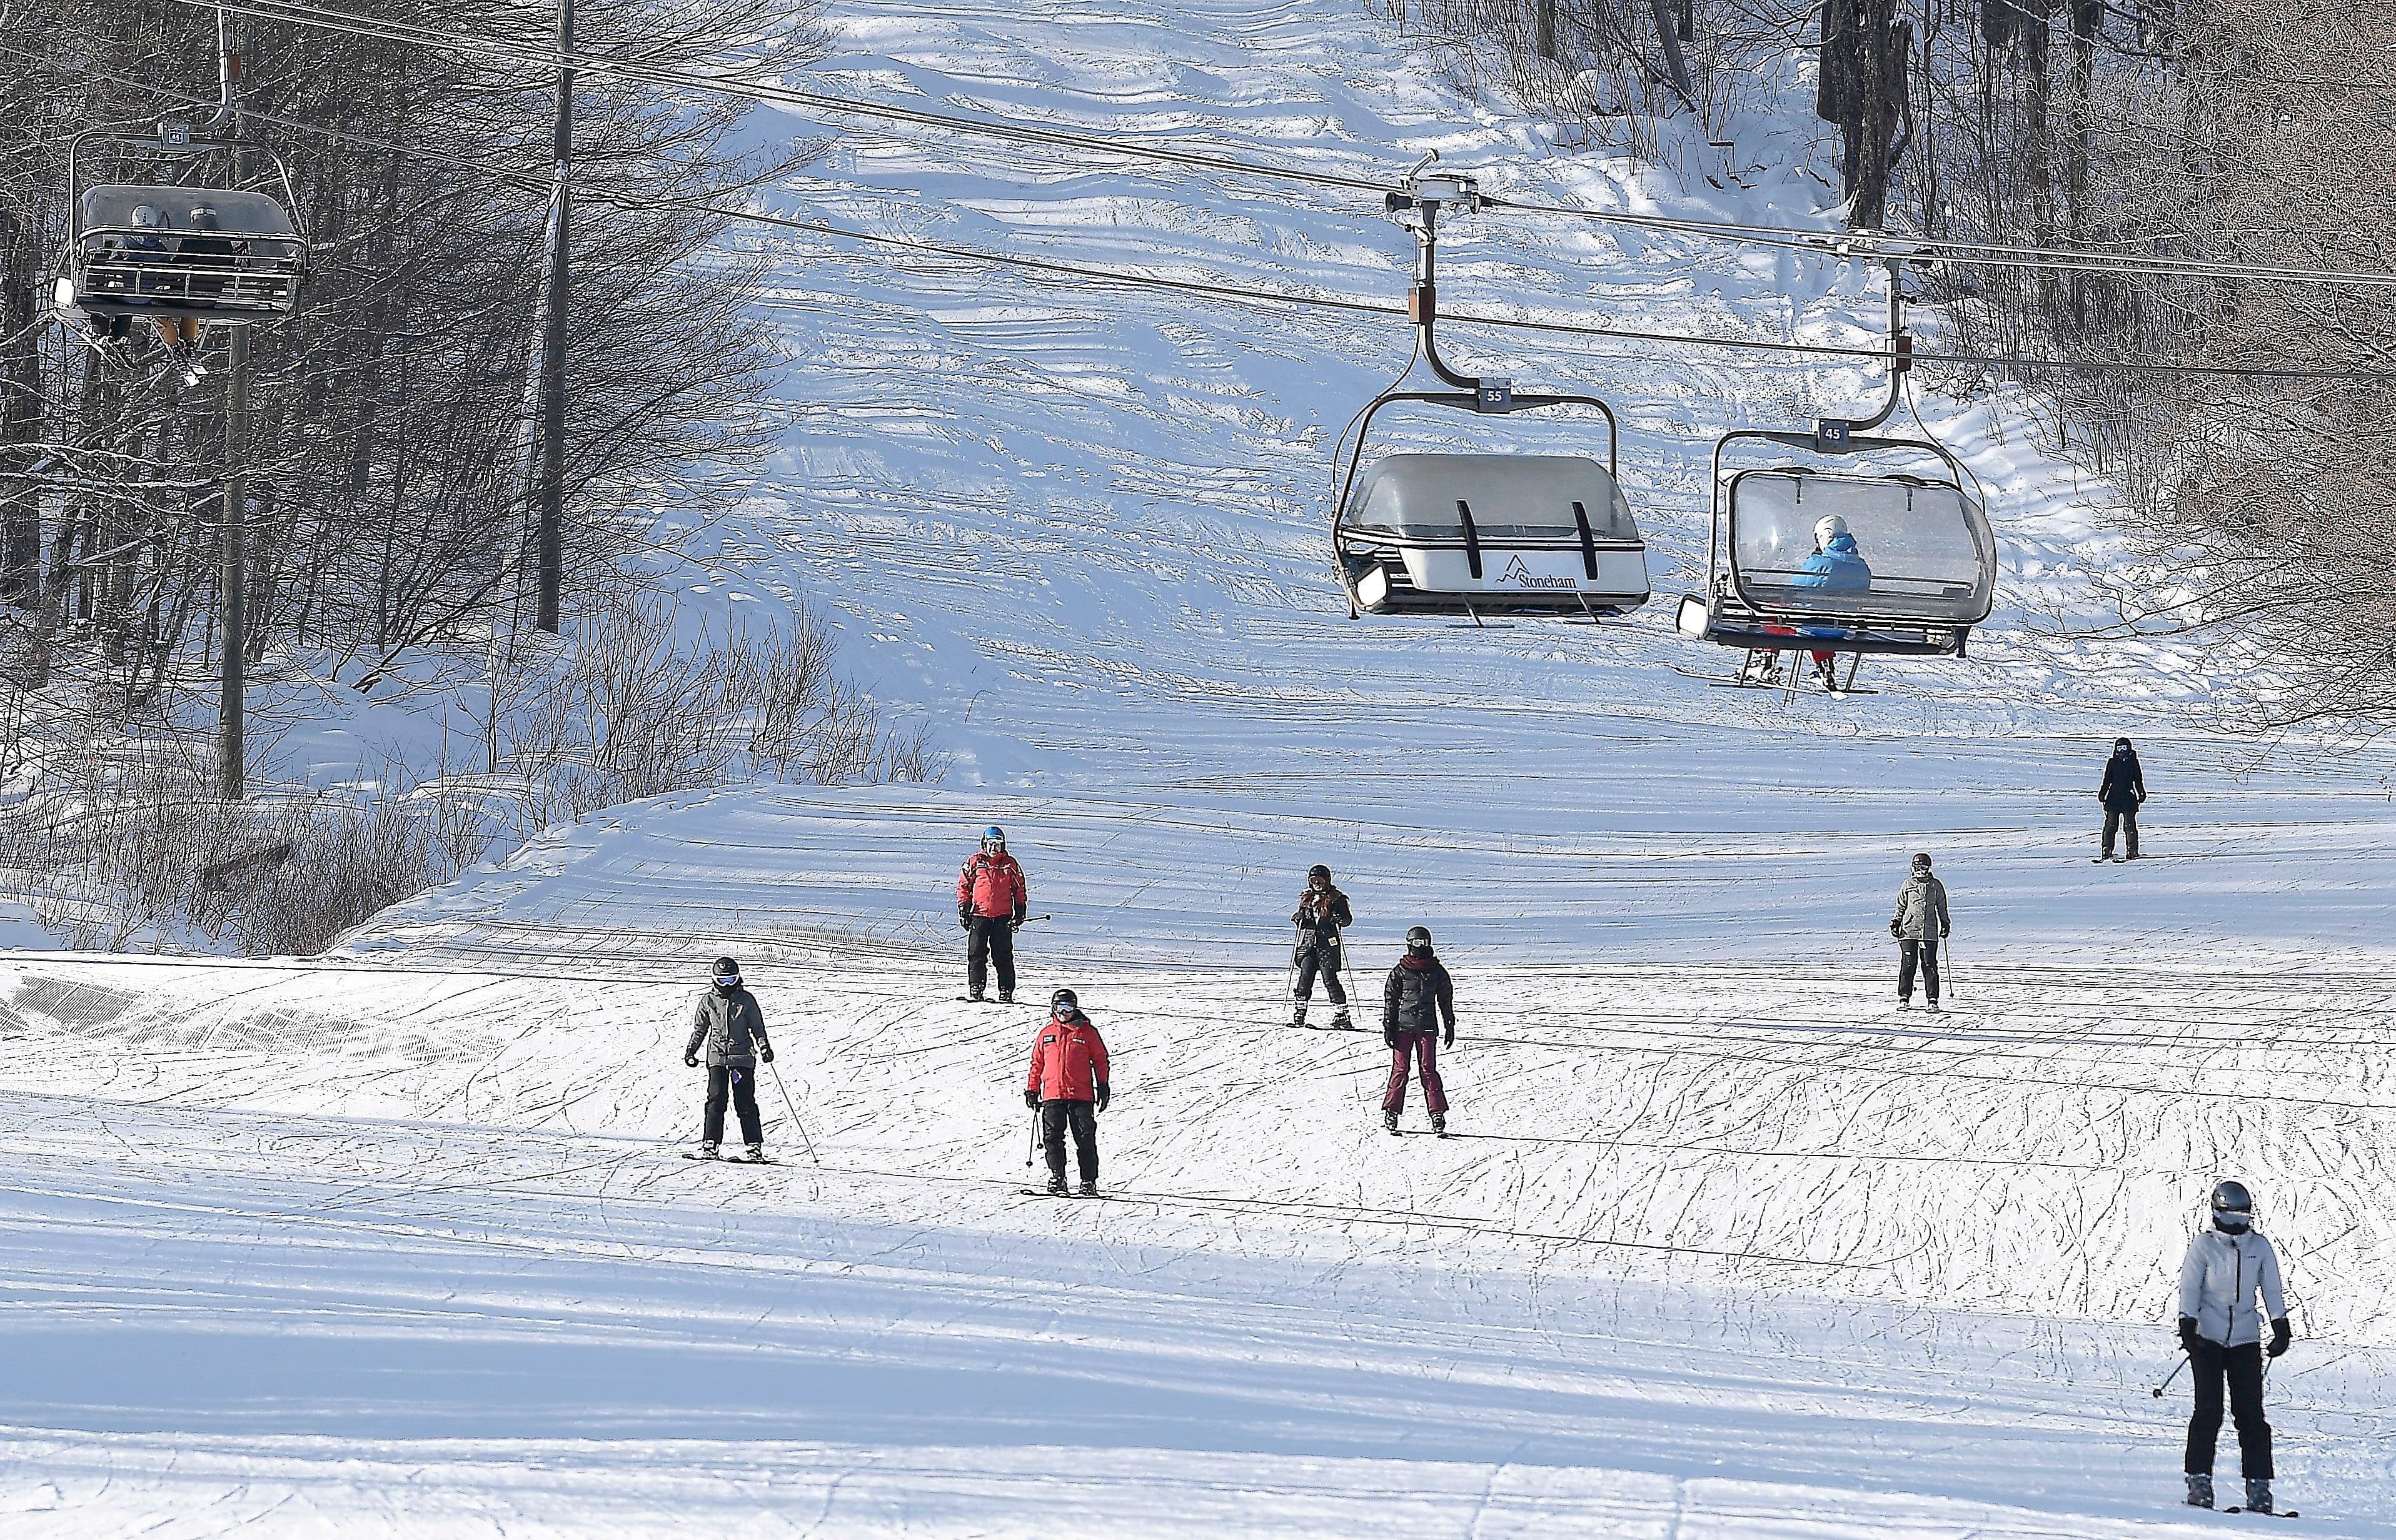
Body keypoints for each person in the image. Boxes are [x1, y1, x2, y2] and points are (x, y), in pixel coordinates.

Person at [2176, 1179, 2291, 1513]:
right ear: (2217, 1213)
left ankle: (2259, 1488)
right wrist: (2188, 1323)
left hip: (2245, 1338)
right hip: (2207, 1339)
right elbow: (2190, 1286)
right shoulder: (2204, 1246)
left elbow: (2272, 1288)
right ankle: (2199, 1480)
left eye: (2243, 1217)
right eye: (2232, 1218)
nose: (2238, 1225)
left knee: (2251, 1415)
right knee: (2209, 1411)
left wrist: (2279, 1324)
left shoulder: (2260, 1247)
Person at [681, 955, 774, 1161]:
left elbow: (757, 1027)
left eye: (731, 980)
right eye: (722, 980)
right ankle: (711, 1144)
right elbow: (700, 1029)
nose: (726, 985)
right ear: (714, 979)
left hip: (742, 1058)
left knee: (745, 1101)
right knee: (716, 1100)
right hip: (717, 1058)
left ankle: (754, 1147)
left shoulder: (746, 1000)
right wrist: (691, 1051)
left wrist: (764, 1046)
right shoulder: (708, 1001)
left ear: (738, 979)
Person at [1025, 987, 1109, 1197]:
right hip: (1053, 1094)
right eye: (1060, 1007)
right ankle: (1057, 1177)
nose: (1064, 1012)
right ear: (1053, 1009)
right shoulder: (1047, 1034)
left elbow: (1100, 1060)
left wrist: (1103, 1085)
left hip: (1081, 1096)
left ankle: (1088, 1182)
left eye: (1068, 1007)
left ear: (1075, 1008)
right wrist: (1033, 1089)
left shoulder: (1087, 1033)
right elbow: (1037, 1063)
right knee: (1052, 1138)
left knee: (1085, 1137)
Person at [1381, 925, 1455, 1136]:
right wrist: (1389, 1026)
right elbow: (1391, 1001)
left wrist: (1450, 1024)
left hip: (1427, 1026)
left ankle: (1437, 1113)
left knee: (1428, 1069)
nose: (1420, 947)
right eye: (1416, 943)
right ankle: (1392, 1111)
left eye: (1424, 943)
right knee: (1400, 1069)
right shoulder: (1400, 971)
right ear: (1409, 944)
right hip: (1403, 1028)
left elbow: (1445, 1000)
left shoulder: (1437, 971)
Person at [1786, 513, 1873, 687]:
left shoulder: (1821, 563)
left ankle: (1764, 660)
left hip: (1810, 627)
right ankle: (1826, 669)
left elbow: (1795, 587)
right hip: (1840, 628)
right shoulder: (1861, 566)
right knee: (1824, 620)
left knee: (1775, 613)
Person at [957, 825, 1028, 1002]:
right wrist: (964, 908)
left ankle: (1005, 990)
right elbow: (964, 886)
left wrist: (1020, 910)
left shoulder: (1010, 864)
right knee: (976, 953)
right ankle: (976, 988)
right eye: (990, 844)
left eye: (998, 844)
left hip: (1002, 917)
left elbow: (1019, 888)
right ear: (984, 843)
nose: (994, 848)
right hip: (980, 915)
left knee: (1003, 955)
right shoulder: (975, 862)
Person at [1290, 863, 1354, 1028]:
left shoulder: (1337, 898)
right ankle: (1300, 1012)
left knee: (1330, 979)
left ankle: (1342, 1014)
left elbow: (1347, 919)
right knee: (1305, 977)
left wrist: (1339, 919)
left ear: (1327, 881)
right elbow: (1303, 920)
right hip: (1309, 945)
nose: (1317, 883)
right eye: (1314, 880)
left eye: (1320, 880)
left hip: (1328, 945)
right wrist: (1299, 918)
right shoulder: (1307, 899)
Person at [1888, 852, 1950, 1012]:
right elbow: (1901, 905)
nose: (1920, 870)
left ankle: (1933, 999)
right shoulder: (1908, 884)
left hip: (1929, 932)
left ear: (1929, 868)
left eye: (1923, 867)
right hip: (1909, 931)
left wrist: (1945, 923)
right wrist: (1896, 922)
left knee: (1929, 964)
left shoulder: (1935, 885)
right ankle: (1904, 997)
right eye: (1917, 867)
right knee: (1909, 964)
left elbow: (1942, 906)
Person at [2098, 737, 2148, 862]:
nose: (2122, 751)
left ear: (2129, 749)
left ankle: (2132, 850)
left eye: (2124, 748)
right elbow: (2107, 780)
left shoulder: (2133, 762)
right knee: (2110, 825)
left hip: (2128, 798)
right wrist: (2102, 794)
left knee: (2130, 825)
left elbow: (2138, 780)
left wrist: (2141, 793)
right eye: (2119, 748)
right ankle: (2107, 849)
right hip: (2113, 798)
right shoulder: (2112, 762)